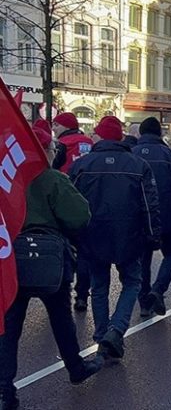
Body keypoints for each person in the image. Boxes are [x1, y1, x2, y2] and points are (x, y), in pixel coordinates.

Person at [0, 128, 102, 410]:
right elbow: (80, 216)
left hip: (13, 258)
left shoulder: (7, 179)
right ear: (43, 150)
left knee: (9, 325)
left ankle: (4, 389)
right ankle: (75, 367)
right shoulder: (53, 179)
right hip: (50, 258)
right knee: (61, 317)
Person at [70, 116, 161, 360]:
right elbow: (149, 204)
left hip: (93, 234)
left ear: (99, 136)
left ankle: (102, 335)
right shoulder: (138, 165)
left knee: (99, 286)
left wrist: (73, 236)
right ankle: (116, 329)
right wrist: (153, 234)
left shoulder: (82, 165)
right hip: (129, 235)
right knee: (132, 282)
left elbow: (72, 204)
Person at [133, 117, 171, 317]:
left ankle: (143, 301)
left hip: (139, 218)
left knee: (143, 258)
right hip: (167, 216)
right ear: (160, 133)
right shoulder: (170, 155)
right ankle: (158, 289)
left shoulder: (130, 155)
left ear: (140, 133)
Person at [49, 113, 94, 312]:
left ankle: (61, 289)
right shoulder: (89, 142)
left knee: (63, 249)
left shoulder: (61, 144)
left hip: (64, 200)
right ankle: (82, 294)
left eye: (57, 125)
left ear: (65, 126)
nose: (54, 129)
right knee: (85, 251)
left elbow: (52, 168)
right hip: (87, 201)